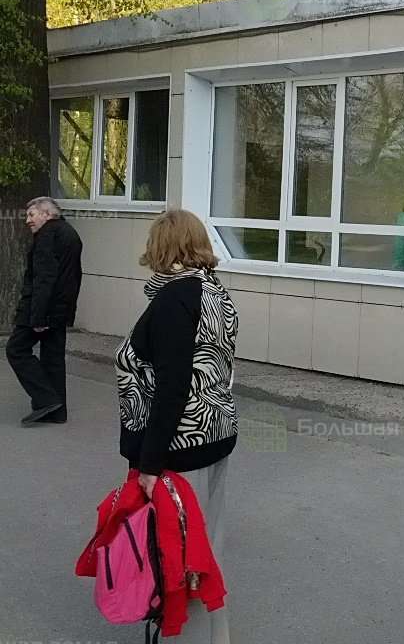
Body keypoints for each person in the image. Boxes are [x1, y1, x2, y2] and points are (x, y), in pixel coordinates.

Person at [117, 209, 238, 643]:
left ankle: (186, 637)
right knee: (205, 548)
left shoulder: (174, 299)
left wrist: (149, 463)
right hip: (214, 433)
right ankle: (214, 637)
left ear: (163, 247)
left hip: (180, 446)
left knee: (180, 556)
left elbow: (172, 385)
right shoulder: (213, 291)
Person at [7, 196, 83, 426]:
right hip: (59, 308)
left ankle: (47, 399)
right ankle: (57, 412)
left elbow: (44, 278)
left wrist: (39, 317)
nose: (27, 221)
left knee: (16, 350)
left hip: (42, 308)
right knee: (53, 358)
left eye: (32, 215)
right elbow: (72, 278)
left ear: (47, 214)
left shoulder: (47, 235)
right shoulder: (69, 233)